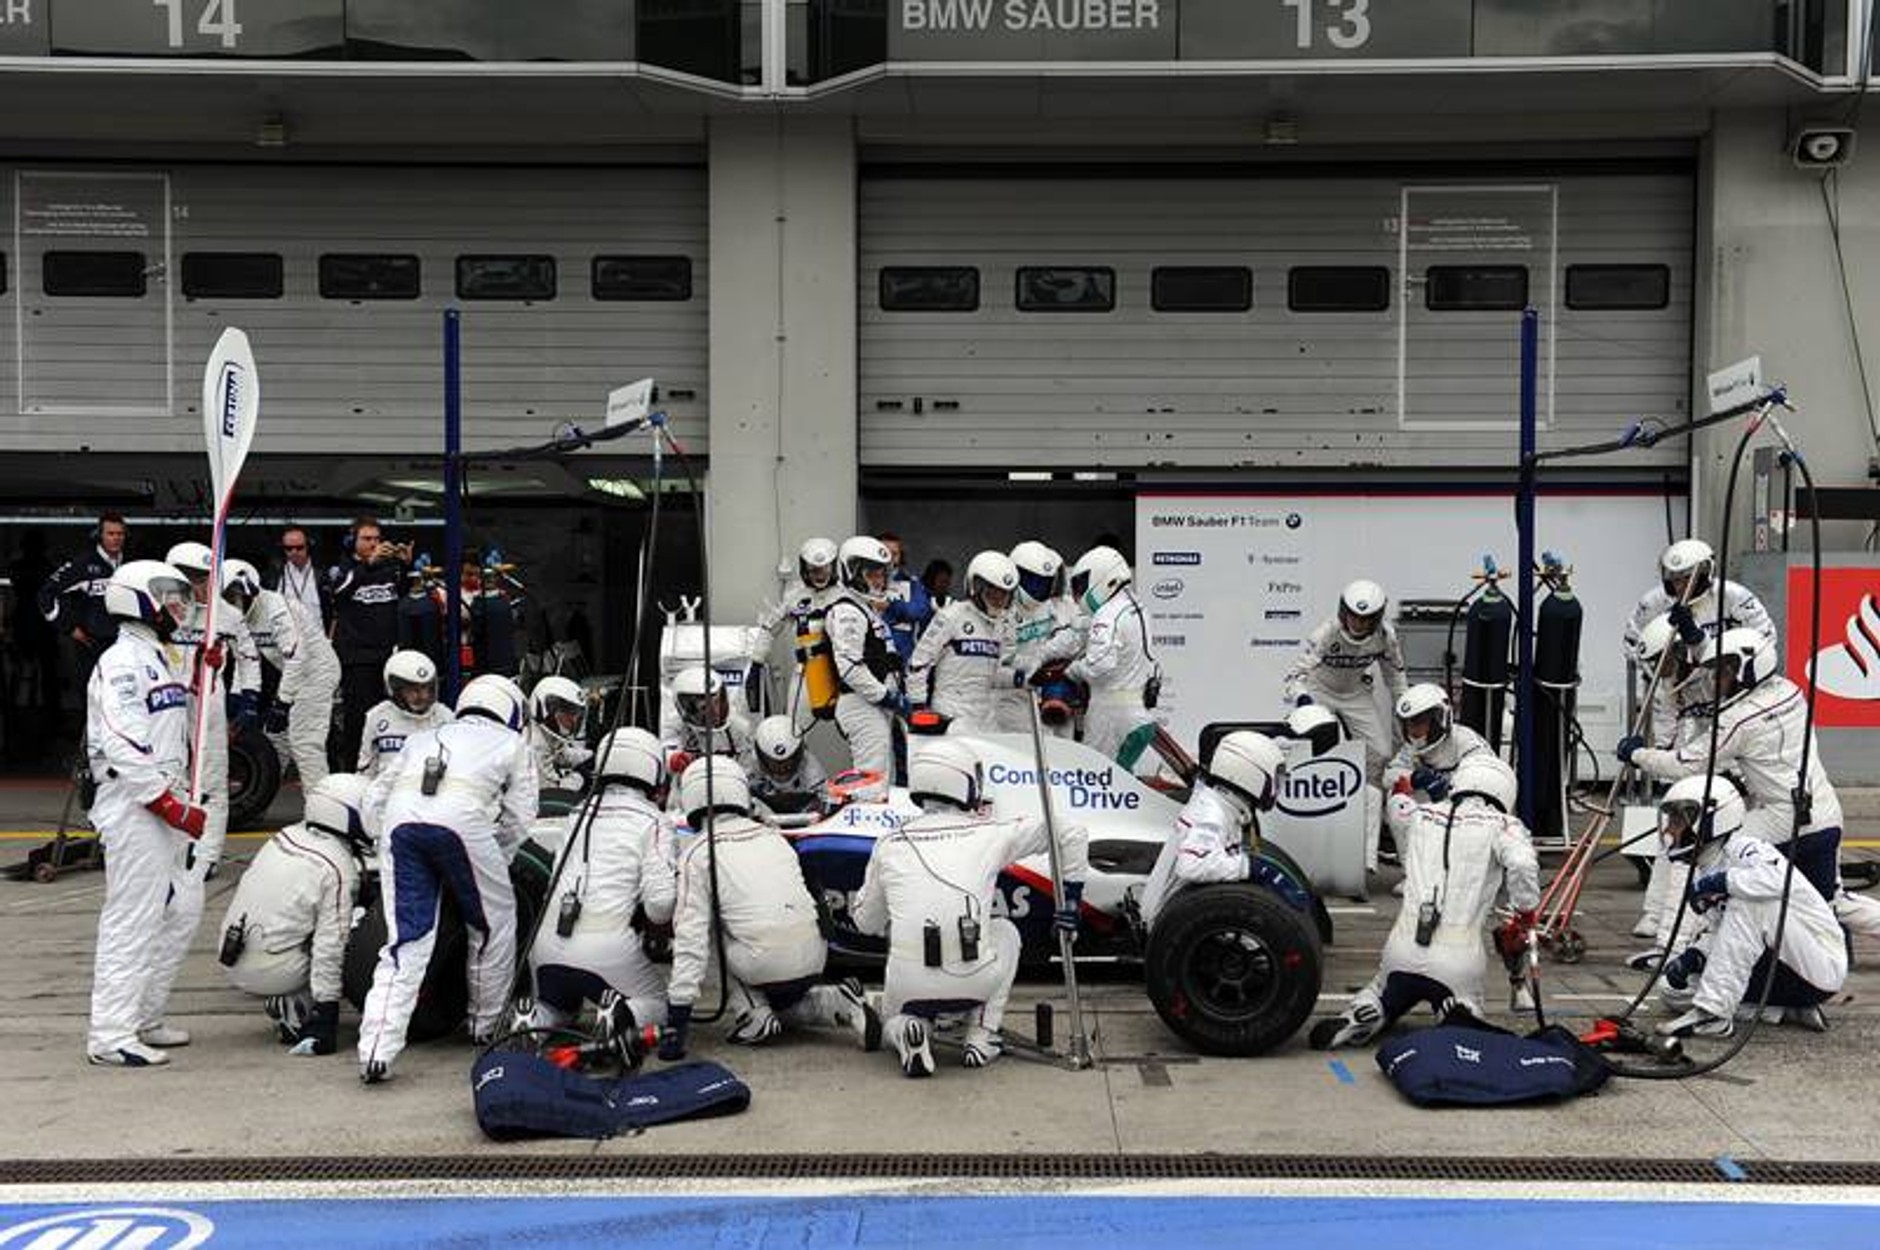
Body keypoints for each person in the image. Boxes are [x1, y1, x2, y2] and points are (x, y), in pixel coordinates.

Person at [852, 738, 1088, 1077]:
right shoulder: (989, 833)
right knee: (1004, 930)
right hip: (974, 981)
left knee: (892, 1014)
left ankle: (906, 1031)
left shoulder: (888, 843)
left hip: (908, 987)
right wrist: (1071, 900)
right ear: (964, 783)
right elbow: (1071, 832)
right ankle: (982, 1034)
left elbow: (865, 923)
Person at [357, 674, 538, 1084]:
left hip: (401, 824)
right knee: (493, 923)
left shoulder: (421, 739)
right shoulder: (512, 744)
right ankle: (484, 1024)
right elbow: (520, 818)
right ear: (510, 709)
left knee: (405, 941)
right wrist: (496, 858)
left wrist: (381, 839)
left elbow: (374, 799)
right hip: (464, 824)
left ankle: (375, 1050)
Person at [1309, 755, 1537, 1049]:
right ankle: (1458, 1014)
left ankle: (1366, 1009)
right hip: (1458, 961)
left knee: (1382, 988)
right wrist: (1525, 912)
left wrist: (1404, 788)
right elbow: (1522, 864)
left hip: (1401, 951)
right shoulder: (1505, 826)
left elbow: (1398, 807)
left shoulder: (1421, 814)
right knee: (1464, 1003)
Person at [659, 757, 878, 1059]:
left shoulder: (697, 854)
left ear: (692, 797)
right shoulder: (774, 837)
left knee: (703, 928)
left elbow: (690, 941)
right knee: (785, 1009)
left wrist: (677, 1019)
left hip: (762, 963)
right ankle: (836, 1001)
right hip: (816, 957)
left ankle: (753, 1014)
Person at [1621, 628, 1845, 899]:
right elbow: (1778, 756)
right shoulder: (1792, 692)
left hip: (1782, 819)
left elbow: (1686, 764)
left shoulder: (1739, 719)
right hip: (1826, 814)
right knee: (1831, 905)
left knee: (1703, 848)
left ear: (1748, 669)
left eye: (1724, 672)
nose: (1716, 680)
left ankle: (1682, 923)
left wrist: (1637, 755)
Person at [83, 560, 201, 1067]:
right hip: (136, 805)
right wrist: (167, 803)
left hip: (163, 803)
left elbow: (172, 723)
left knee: (181, 909)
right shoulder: (121, 661)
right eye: (168, 596)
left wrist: (206, 671)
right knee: (132, 918)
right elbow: (123, 742)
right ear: (139, 600)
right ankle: (110, 1034)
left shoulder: (159, 655)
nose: (177, 606)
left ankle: (143, 1015)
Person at [1651, 775, 1847, 1038]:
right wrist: (1696, 955)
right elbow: (1727, 932)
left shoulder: (1747, 848)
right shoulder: (1706, 868)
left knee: (1752, 902)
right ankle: (1781, 1010)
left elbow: (1777, 881)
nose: (1669, 831)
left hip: (1818, 967)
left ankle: (1713, 1015)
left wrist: (1720, 882)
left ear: (1709, 820)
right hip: (1775, 971)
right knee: (1671, 989)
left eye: (1677, 822)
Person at [527, 729, 676, 1039]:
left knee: (562, 1008)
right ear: (652, 768)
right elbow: (661, 904)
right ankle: (623, 1015)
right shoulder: (652, 821)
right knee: (660, 1004)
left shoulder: (576, 813)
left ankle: (537, 1019)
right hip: (606, 948)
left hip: (544, 945)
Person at [215, 773, 373, 1057]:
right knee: (356, 928)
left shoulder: (286, 836)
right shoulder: (336, 867)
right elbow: (330, 947)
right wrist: (327, 1016)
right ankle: (299, 1007)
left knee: (300, 921)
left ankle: (288, 995)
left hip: (232, 955)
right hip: (270, 969)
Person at [1622, 538, 1776, 746]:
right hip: (1674, 688)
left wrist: (1726, 663)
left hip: (1725, 685)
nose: (1680, 586)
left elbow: (1765, 639)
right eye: (1674, 580)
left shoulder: (1733, 596)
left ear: (1705, 574)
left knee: (1727, 745)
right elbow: (1632, 644)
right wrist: (1660, 665)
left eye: (1686, 579)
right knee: (1669, 749)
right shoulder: (1653, 603)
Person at [161, 541, 261, 862]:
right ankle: (173, 849)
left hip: (209, 702)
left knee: (213, 780)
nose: (199, 585)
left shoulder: (227, 615)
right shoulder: (162, 612)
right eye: (191, 577)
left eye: (204, 577)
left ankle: (207, 855)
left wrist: (248, 701)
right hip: (166, 703)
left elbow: (249, 656)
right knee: (169, 774)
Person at [1138, 731, 1285, 930]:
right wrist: (1251, 867)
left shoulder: (1224, 806)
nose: (1277, 788)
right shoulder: (1212, 813)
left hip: (1181, 915)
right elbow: (1191, 866)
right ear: (1251, 773)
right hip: (1168, 925)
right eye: (1275, 779)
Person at [221, 558, 341, 790]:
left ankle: (321, 804)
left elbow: (297, 657)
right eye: (228, 598)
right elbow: (245, 659)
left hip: (318, 672)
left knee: (305, 742)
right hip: (292, 675)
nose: (234, 603)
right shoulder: (236, 618)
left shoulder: (277, 607)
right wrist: (239, 698)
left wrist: (282, 703)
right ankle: (261, 794)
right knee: (275, 739)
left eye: (236, 597)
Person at [1282, 579, 1408, 788]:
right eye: (1353, 616)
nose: (1358, 623)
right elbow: (1295, 676)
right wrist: (1304, 701)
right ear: (1343, 611)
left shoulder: (1386, 637)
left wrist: (1404, 707)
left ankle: (1368, 797)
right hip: (1320, 692)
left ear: (1376, 618)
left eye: (1365, 619)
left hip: (1356, 694)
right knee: (1310, 746)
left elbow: (1395, 677)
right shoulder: (1326, 633)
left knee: (1380, 753)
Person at [824, 536, 905, 800]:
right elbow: (849, 667)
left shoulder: (866, 610)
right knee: (872, 780)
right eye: (871, 574)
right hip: (860, 705)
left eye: (882, 574)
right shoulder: (848, 611)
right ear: (852, 573)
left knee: (884, 778)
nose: (879, 581)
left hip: (874, 705)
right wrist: (886, 696)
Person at [1065, 545, 1161, 770]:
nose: (1079, 594)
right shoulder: (1137, 605)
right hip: (1137, 716)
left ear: (1102, 577)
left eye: (1082, 584)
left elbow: (1100, 666)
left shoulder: (1107, 614)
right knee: (1121, 780)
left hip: (1112, 721)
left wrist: (1073, 669)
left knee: (1099, 781)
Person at [907, 550, 1022, 736]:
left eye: (1005, 594)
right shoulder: (951, 616)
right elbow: (919, 662)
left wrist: (1022, 678)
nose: (999, 600)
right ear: (977, 587)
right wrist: (918, 706)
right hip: (951, 713)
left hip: (986, 716)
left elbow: (994, 674)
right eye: (993, 592)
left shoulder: (1003, 625)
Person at [328, 516, 406, 770]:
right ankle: (353, 771)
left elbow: (405, 597)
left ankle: (387, 768)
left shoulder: (390, 568)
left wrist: (405, 565)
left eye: (377, 539)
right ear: (353, 541)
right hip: (357, 658)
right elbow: (338, 593)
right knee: (358, 719)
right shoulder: (343, 568)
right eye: (367, 539)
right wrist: (367, 565)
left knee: (393, 716)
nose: (374, 543)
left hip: (388, 656)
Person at [746, 537, 843, 731]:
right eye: (814, 569)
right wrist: (756, 662)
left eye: (824, 568)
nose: (819, 574)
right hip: (807, 671)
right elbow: (770, 627)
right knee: (793, 730)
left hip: (842, 670)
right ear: (805, 568)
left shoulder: (846, 596)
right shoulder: (795, 597)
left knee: (855, 728)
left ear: (833, 567)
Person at [995, 541, 1086, 737]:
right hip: (1011, 697)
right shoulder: (999, 611)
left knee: (1061, 746)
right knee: (1025, 747)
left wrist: (1052, 663)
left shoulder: (1052, 606)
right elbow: (993, 667)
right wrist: (1030, 671)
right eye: (1032, 581)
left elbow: (1069, 640)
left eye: (1044, 582)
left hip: (1047, 695)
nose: (1038, 588)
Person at [1285, 704, 1385, 872]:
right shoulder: (1286, 747)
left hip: (1331, 792)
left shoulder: (1340, 746)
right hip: (1298, 812)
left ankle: (1365, 862)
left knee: (1373, 793)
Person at [39, 512, 127, 688]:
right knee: (92, 693)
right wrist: (69, 627)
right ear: (100, 535)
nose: (116, 538)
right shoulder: (82, 564)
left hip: (125, 644)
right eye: (110, 533)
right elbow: (46, 595)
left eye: (120, 534)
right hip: (92, 644)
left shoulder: (131, 563)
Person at [1382, 683, 1495, 801]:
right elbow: (1388, 777)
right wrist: (1414, 778)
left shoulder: (1467, 742)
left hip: (1465, 806)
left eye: (1419, 722)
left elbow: (1488, 779)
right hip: (1429, 810)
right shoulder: (1411, 747)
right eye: (1408, 724)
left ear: (1439, 719)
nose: (1412, 731)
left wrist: (1447, 785)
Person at [357, 650, 451, 778]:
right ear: (394, 689)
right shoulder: (377, 716)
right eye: (413, 689)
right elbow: (366, 770)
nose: (422, 696)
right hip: (388, 787)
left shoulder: (445, 717)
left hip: (431, 786)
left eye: (425, 688)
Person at [659, 665, 755, 778]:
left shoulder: (739, 728)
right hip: (688, 784)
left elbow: (747, 767)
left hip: (729, 782)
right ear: (687, 707)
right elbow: (666, 750)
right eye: (704, 707)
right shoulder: (675, 726)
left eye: (717, 703)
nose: (714, 712)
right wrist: (674, 759)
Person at [745, 714, 829, 816]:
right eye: (774, 763)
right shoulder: (749, 766)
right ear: (760, 756)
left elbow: (825, 807)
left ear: (799, 754)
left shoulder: (814, 774)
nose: (781, 769)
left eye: (787, 762)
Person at [877, 533, 933, 665]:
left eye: (894, 554)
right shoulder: (863, 582)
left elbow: (920, 611)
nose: (890, 558)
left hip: (902, 656)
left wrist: (891, 606)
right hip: (872, 653)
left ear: (901, 556)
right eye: (885, 553)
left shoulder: (911, 584)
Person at [528, 674, 592, 790]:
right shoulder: (534, 744)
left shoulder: (547, 734)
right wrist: (579, 777)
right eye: (568, 714)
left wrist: (592, 756)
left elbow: (562, 755)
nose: (573, 721)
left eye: (576, 715)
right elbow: (551, 789)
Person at [267, 526, 331, 633]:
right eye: (289, 548)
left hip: (317, 638)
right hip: (285, 637)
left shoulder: (322, 575)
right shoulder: (274, 576)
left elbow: (332, 612)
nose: (294, 552)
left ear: (308, 547)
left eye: (299, 547)